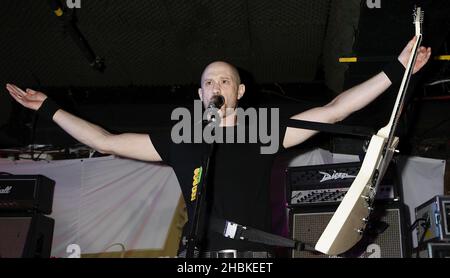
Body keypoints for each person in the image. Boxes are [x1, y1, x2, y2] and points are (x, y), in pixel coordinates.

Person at [5, 37, 431, 258]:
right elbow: (105, 140)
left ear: (240, 91)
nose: (216, 86)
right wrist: (49, 108)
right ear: (199, 92)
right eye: (209, 80)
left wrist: (397, 68)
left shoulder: (262, 127)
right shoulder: (183, 136)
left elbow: (334, 109)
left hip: (254, 254)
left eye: (224, 80)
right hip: (198, 254)